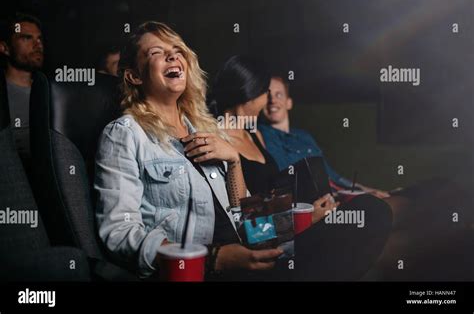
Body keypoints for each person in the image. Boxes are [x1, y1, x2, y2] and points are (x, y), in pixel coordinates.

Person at [94, 22, 284, 279]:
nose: (173, 55)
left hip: (246, 260)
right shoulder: (125, 134)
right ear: (134, 76)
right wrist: (213, 259)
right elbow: (119, 232)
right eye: (156, 52)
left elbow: (246, 219)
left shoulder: (205, 127)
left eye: (177, 50)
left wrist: (234, 161)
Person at [210, 55, 393, 281]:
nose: (267, 101)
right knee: (372, 211)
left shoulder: (254, 134)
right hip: (265, 249)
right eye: (265, 93)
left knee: (368, 211)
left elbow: (274, 200)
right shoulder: (216, 142)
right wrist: (305, 220)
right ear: (250, 93)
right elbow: (243, 228)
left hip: (288, 233)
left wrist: (310, 209)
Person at [261, 76, 390, 198]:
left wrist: (367, 190)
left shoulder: (304, 136)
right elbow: (288, 180)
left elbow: (333, 176)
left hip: (338, 195)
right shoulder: (262, 134)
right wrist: (352, 196)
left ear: (289, 103)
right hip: (318, 202)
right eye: (267, 95)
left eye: (279, 94)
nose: (272, 100)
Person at [0, 13, 44, 168]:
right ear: (5, 48)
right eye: (26, 38)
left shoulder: (51, 92)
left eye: (39, 38)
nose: (37, 44)